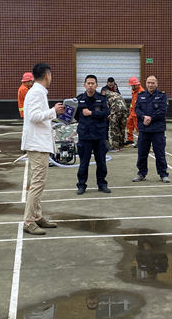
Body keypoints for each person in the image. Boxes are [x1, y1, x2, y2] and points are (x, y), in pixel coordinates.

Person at [21, 63, 65, 235]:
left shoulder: (37, 92)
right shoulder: (37, 92)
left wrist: (53, 112)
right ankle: (29, 221)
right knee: (38, 183)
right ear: (47, 74)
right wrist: (53, 111)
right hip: (36, 145)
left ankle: (37, 216)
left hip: (38, 144)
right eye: (51, 74)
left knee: (37, 182)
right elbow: (33, 116)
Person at [75, 74, 110, 195]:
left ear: (96, 85)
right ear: (84, 85)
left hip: (99, 135)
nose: (90, 86)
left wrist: (91, 113)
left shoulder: (102, 98)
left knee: (101, 162)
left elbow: (106, 113)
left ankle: (102, 184)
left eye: (92, 83)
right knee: (84, 163)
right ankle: (81, 185)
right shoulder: (79, 99)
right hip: (85, 136)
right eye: (88, 83)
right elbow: (75, 116)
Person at [132, 75, 169, 183]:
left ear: (157, 84)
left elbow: (162, 111)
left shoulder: (162, 96)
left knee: (160, 153)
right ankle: (141, 173)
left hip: (157, 130)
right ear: (146, 83)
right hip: (144, 130)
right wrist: (144, 117)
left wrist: (151, 118)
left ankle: (163, 174)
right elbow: (137, 109)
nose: (150, 85)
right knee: (142, 153)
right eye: (148, 82)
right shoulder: (141, 95)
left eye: (153, 83)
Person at [101, 86, 128, 150]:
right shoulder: (116, 93)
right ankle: (121, 145)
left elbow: (106, 107)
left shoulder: (106, 96)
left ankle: (115, 147)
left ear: (104, 91)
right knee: (122, 128)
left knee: (114, 128)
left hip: (116, 110)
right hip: (124, 110)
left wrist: (108, 115)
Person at [126, 76, 144, 145]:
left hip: (137, 113)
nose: (132, 87)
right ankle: (130, 139)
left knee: (138, 128)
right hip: (132, 112)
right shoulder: (134, 91)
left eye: (133, 86)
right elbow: (133, 101)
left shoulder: (141, 92)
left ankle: (141, 141)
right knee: (129, 125)